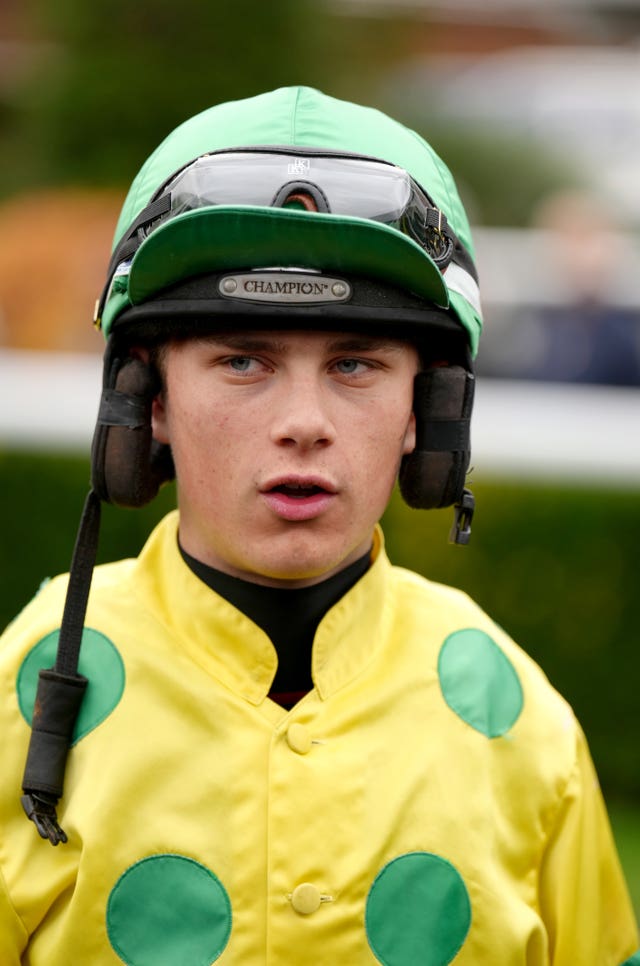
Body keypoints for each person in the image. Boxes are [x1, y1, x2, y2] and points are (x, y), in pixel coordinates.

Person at [0, 87, 637, 965]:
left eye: (355, 363)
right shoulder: (20, 690)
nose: (305, 421)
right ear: (146, 402)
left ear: (430, 409)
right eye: (242, 360)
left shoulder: (519, 716)